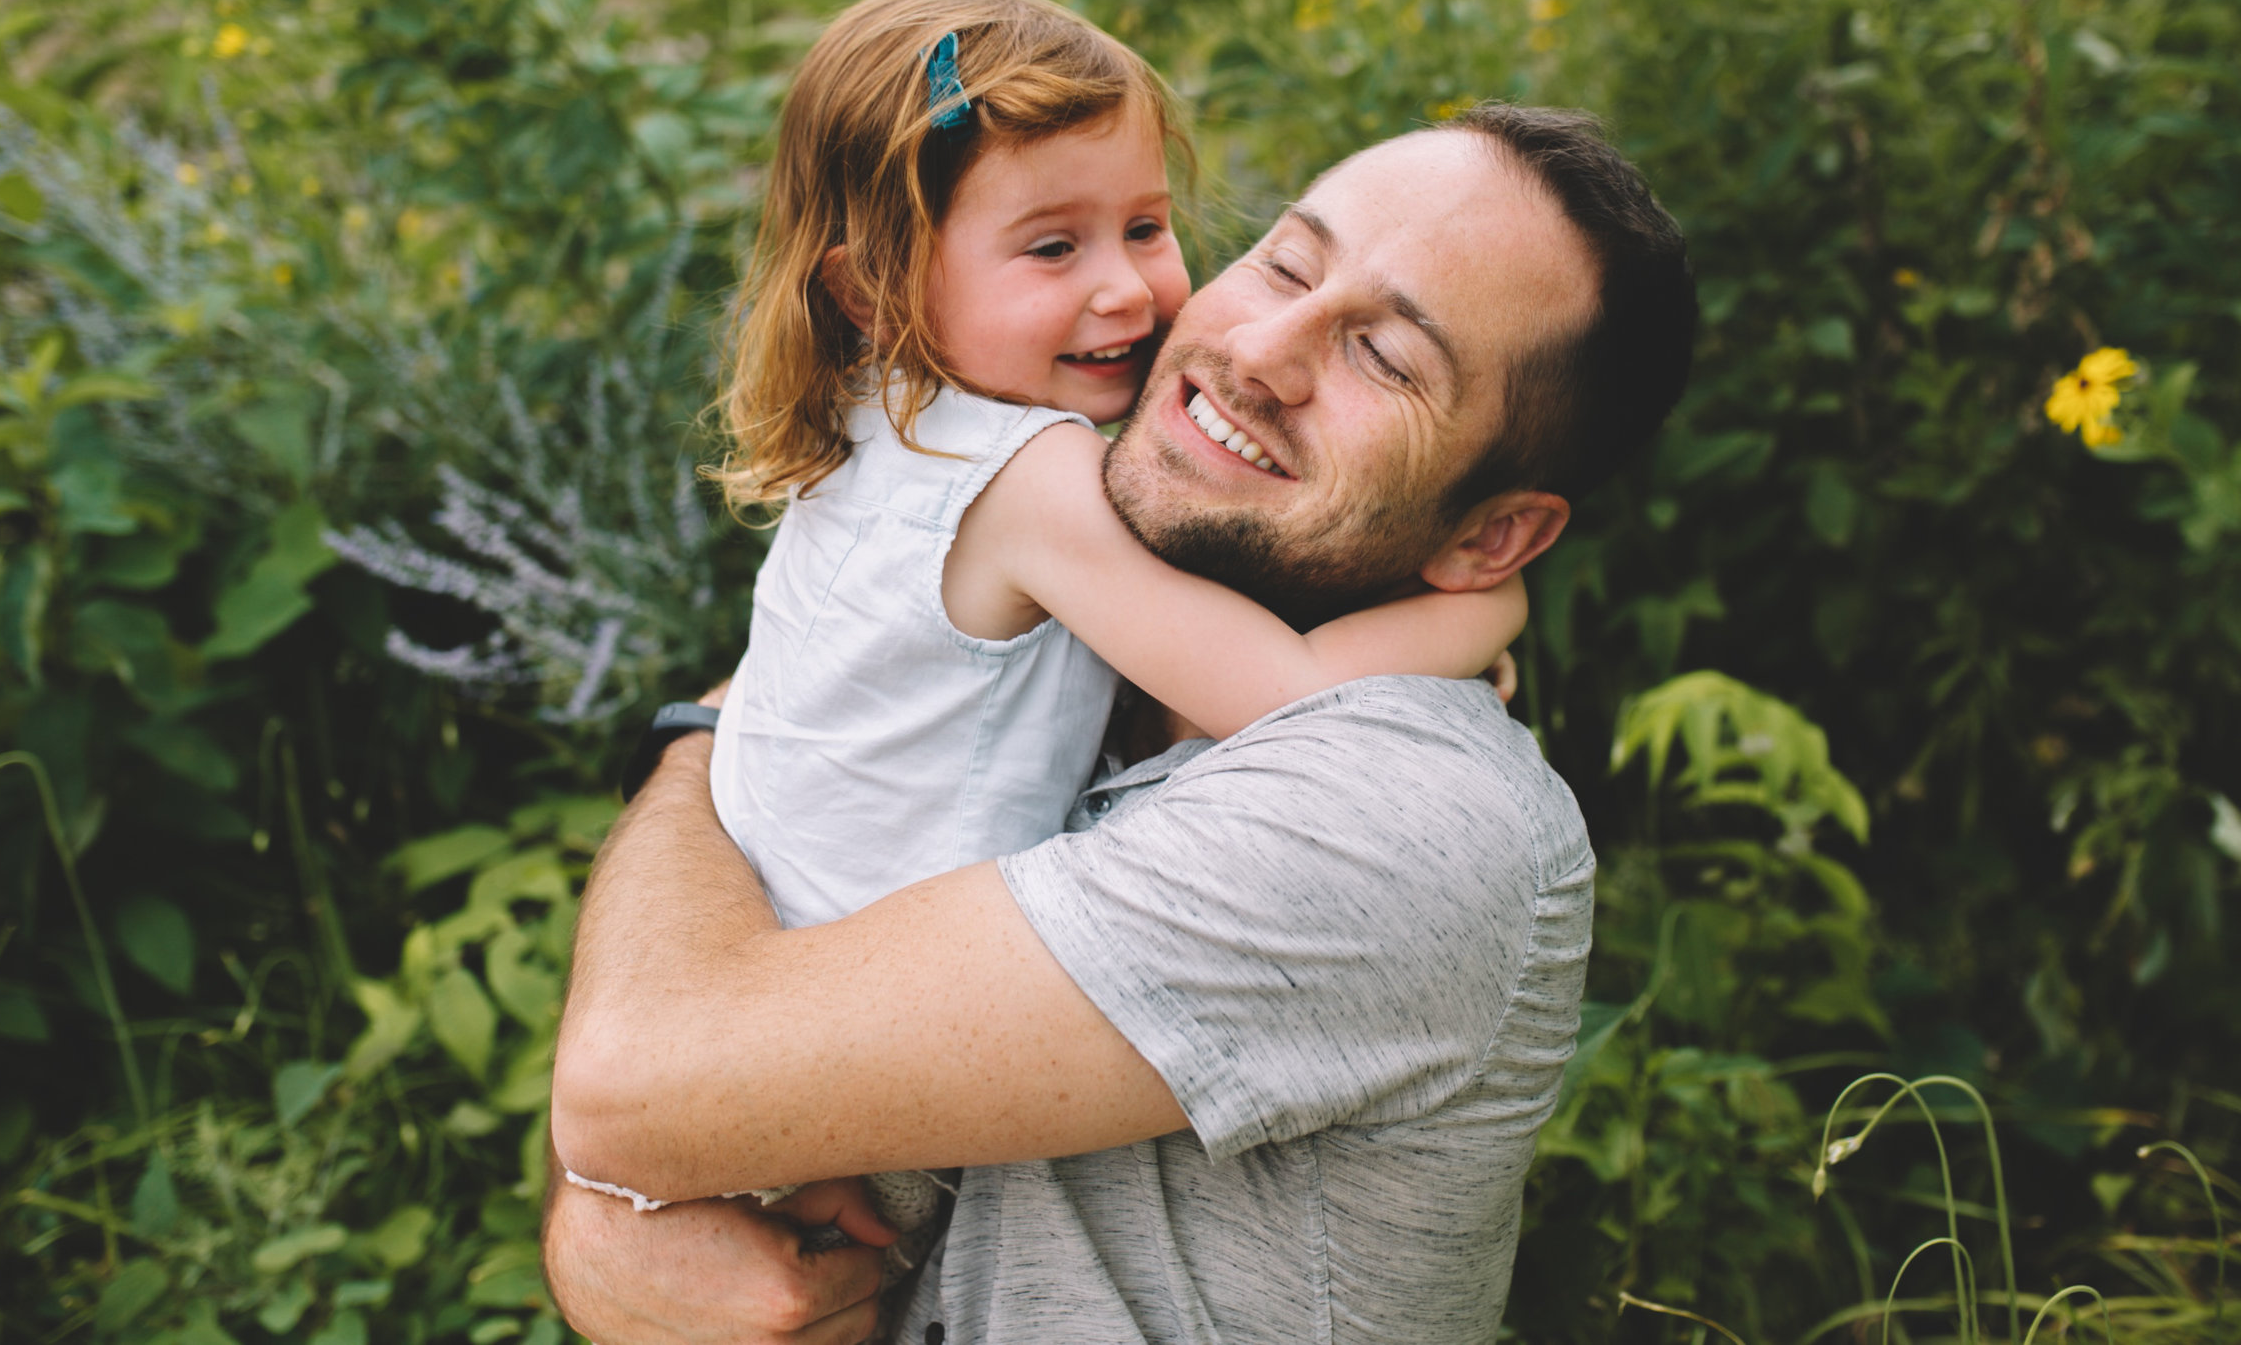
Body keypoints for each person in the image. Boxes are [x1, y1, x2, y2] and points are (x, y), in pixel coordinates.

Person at [547, 97, 1697, 1344]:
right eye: (1285, 262)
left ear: (1491, 538)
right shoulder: (1049, 624)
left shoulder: (1398, 814)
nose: (1262, 347)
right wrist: (606, 1228)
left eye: (1385, 357)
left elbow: (630, 1078)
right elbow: (650, 1097)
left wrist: (698, 746)